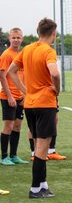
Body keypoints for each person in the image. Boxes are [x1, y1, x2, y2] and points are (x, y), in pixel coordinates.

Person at [8, 18, 60, 198]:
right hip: (45, 104)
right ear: (53, 33)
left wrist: (25, 91)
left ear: (38, 31)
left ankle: (43, 184)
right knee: (42, 148)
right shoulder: (48, 51)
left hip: (30, 104)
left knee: (39, 145)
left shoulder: (27, 49)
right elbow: (54, 72)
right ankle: (35, 188)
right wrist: (57, 89)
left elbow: (10, 72)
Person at [0, 28, 29, 165]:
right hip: (8, 97)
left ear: (22, 38)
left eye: (18, 37)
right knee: (8, 127)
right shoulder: (6, 55)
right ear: (10, 39)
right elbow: (2, 77)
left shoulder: (22, 54)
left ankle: (14, 155)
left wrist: (23, 94)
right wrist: (10, 96)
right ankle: (4, 157)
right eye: (14, 37)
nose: (16, 40)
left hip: (20, 97)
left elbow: (23, 76)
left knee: (17, 127)